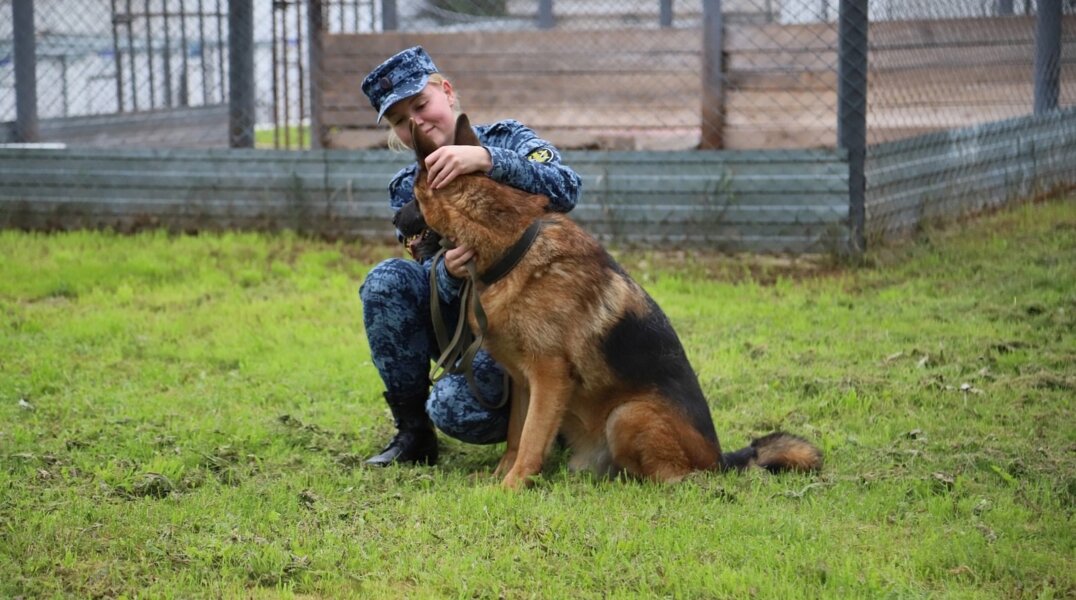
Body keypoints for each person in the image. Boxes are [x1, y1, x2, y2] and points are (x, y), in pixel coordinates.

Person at [358, 46, 583, 466]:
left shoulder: (506, 139)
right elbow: (429, 276)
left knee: (471, 402)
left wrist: (488, 159)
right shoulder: (407, 185)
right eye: (401, 121)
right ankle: (413, 434)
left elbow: (566, 188)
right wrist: (446, 272)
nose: (417, 122)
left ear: (447, 91)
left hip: (535, 314)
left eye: (421, 104)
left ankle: (562, 423)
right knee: (386, 284)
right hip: (475, 321)